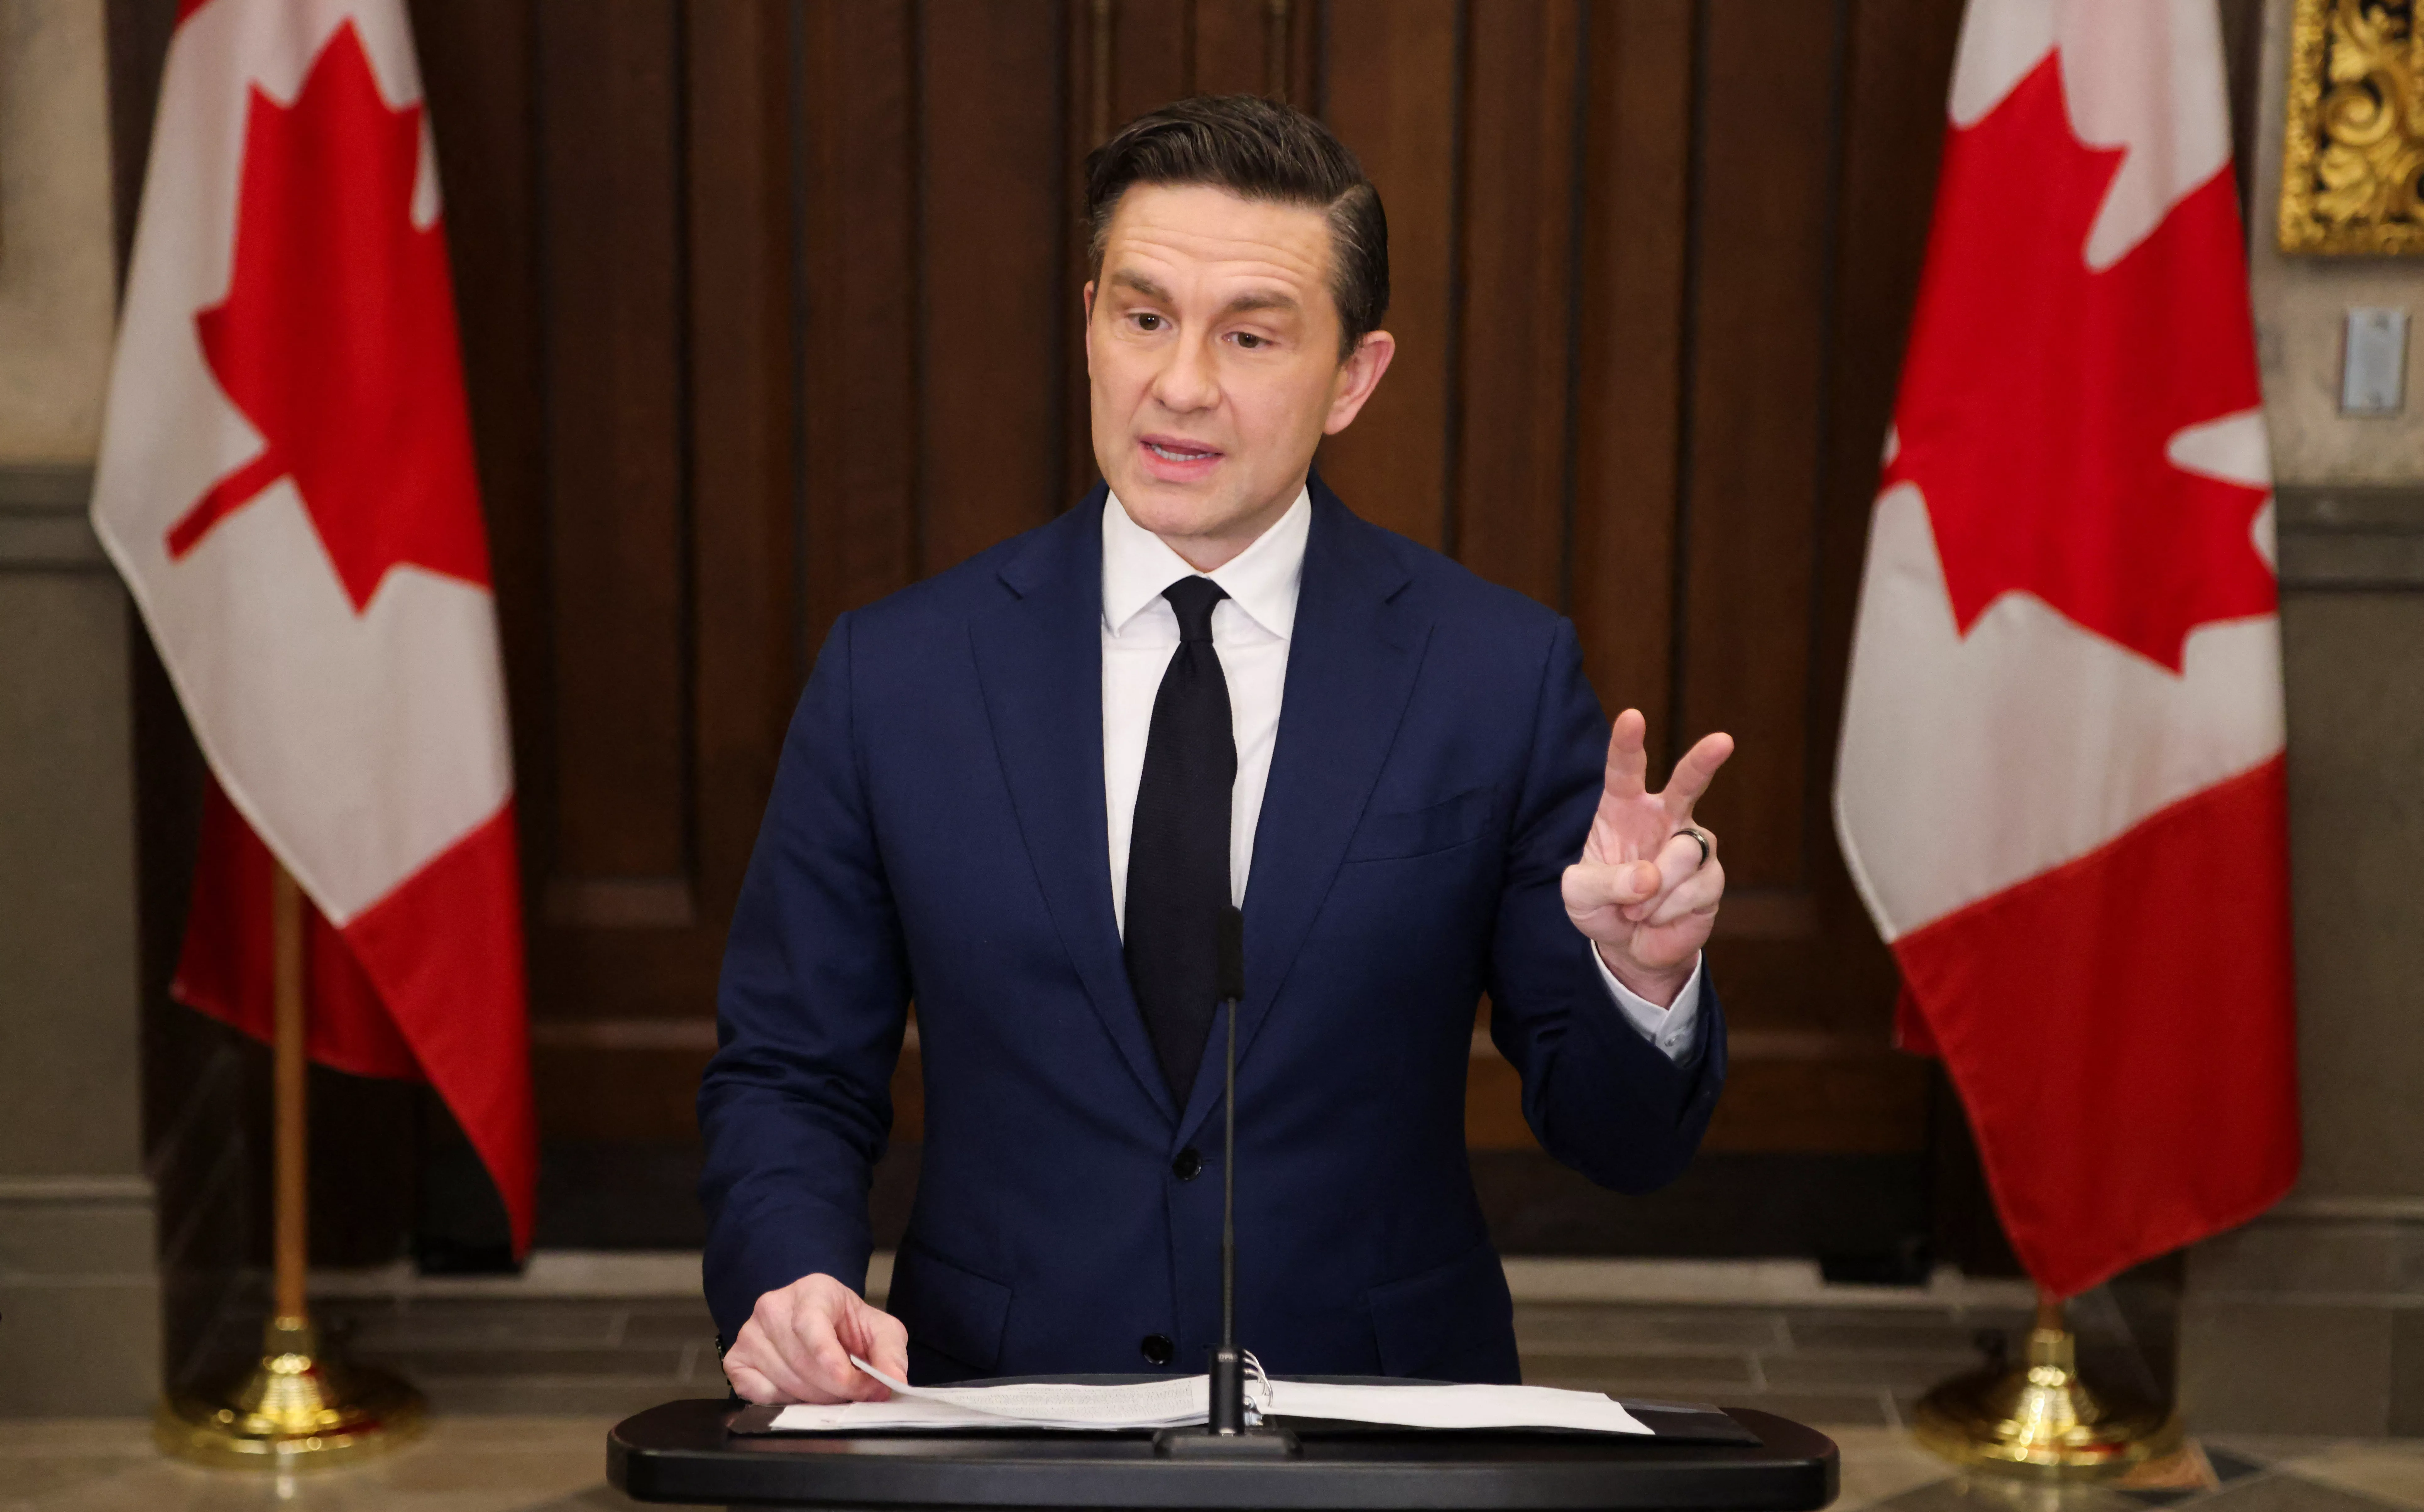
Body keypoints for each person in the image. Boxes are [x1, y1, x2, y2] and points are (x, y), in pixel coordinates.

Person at [700, 94, 1734, 1405]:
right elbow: (789, 1069)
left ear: (1354, 377)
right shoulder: (896, 674)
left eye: (1248, 336)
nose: (1179, 384)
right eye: (1142, 319)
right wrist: (790, 1277)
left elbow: (1620, 1144)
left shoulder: (1494, 677)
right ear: (1088, 324)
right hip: (994, 1417)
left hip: (1379, 1430)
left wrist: (1639, 985)